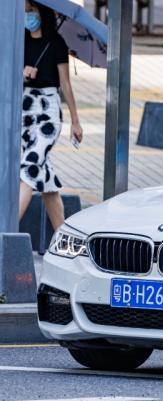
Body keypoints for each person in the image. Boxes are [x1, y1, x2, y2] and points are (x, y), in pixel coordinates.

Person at [18, 0, 82, 231]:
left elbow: (66, 84)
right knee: (47, 182)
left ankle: (5, 229)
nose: (27, 16)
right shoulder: (20, 40)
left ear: (42, 13)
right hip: (25, 113)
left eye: (31, 11)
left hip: (48, 115)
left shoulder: (56, 43)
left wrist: (75, 121)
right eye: (25, 12)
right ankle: (62, 239)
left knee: (29, 168)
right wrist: (23, 73)